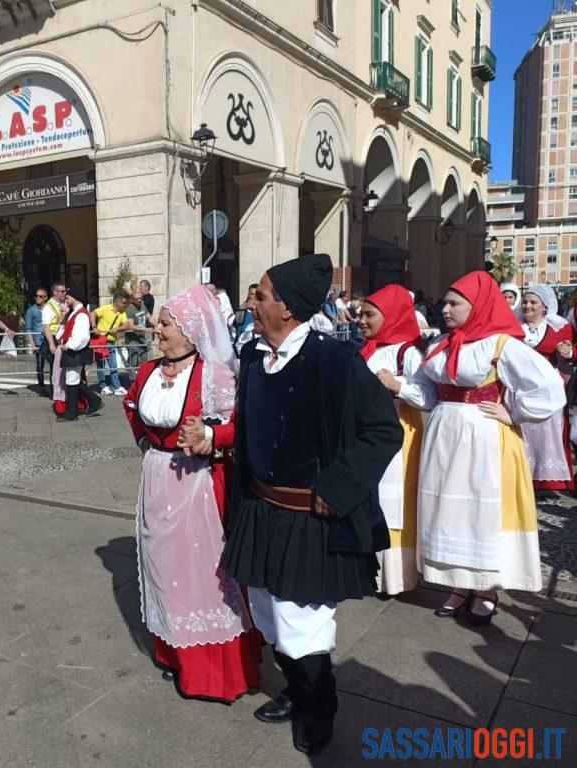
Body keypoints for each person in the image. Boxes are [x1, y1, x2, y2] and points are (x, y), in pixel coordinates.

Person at [213, 255, 402, 754]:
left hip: (310, 520)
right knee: (269, 616)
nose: (252, 302)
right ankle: (297, 693)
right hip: (261, 511)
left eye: (261, 295)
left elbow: (383, 430)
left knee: (302, 625)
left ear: (289, 309)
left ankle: (320, 710)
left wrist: (336, 490)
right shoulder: (255, 358)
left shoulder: (335, 361)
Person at [123, 284, 260, 703]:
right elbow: (131, 407)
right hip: (157, 480)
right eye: (160, 322)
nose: (157, 330)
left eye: (166, 323)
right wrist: (149, 445)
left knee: (203, 574)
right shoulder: (148, 371)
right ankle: (173, 651)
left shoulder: (214, 374)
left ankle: (213, 672)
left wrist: (212, 436)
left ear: (190, 329)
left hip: (199, 484)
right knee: (163, 567)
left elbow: (240, 427)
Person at [418, 272, 565, 625]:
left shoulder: (502, 344)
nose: (446, 309)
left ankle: (485, 587)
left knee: (479, 509)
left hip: (483, 436)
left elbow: (550, 388)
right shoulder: (442, 343)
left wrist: (514, 412)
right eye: (446, 303)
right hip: (443, 433)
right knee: (447, 508)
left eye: (455, 304)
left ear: (477, 305)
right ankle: (458, 583)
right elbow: (424, 387)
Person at [357, 285, 436, 595]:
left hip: (398, 430)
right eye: (361, 314)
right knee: (370, 497)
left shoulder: (409, 351)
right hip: (368, 433)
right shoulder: (368, 349)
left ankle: (394, 576)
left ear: (389, 316)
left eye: (369, 315)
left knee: (393, 501)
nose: (361, 320)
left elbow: (429, 395)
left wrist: (397, 384)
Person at [517, 285, 575, 493]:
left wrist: (568, 353)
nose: (527, 306)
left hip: (547, 390)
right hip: (518, 388)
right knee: (521, 433)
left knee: (546, 434)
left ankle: (544, 479)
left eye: (533, 302)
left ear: (545, 307)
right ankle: (520, 476)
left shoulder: (560, 328)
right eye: (525, 301)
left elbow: (572, 350)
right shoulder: (512, 328)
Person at [54, 289, 102, 421]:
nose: (65, 299)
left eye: (68, 297)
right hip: (73, 350)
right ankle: (94, 402)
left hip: (76, 351)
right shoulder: (73, 313)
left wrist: (69, 345)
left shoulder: (81, 315)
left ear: (76, 298)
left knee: (72, 380)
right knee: (73, 379)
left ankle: (72, 412)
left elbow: (82, 337)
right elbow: (64, 331)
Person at [91, 293, 129, 396]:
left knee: (113, 364)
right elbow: (92, 314)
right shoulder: (106, 308)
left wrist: (118, 328)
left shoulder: (122, 313)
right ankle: (103, 386)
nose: (125, 305)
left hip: (111, 342)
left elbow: (126, 325)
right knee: (101, 365)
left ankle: (116, 387)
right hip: (100, 340)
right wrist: (94, 327)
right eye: (124, 303)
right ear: (117, 302)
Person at [42, 282, 68, 400]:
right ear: (55, 292)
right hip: (52, 339)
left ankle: (60, 390)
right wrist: (51, 344)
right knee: (55, 367)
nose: (64, 293)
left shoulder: (61, 304)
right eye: (62, 291)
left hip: (60, 338)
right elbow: (46, 326)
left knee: (60, 366)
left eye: (65, 291)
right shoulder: (48, 306)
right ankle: (55, 392)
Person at [25, 289, 49, 393]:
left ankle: (54, 384)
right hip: (38, 342)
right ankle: (41, 385)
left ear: (45, 297)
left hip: (50, 340)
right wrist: (32, 345)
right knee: (40, 365)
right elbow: (28, 329)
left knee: (54, 364)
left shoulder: (50, 308)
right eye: (37, 295)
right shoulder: (31, 310)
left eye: (41, 296)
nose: (38, 298)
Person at [124, 289, 155, 370]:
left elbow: (150, 318)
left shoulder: (142, 306)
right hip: (132, 340)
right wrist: (146, 330)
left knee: (145, 360)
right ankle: (132, 380)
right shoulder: (129, 310)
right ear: (132, 300)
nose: (140, 300)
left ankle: (144, 379)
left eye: (141, 298)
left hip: (141, 338)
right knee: (133, 361)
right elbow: (130, 326)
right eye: (137, 299)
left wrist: (158, 326)